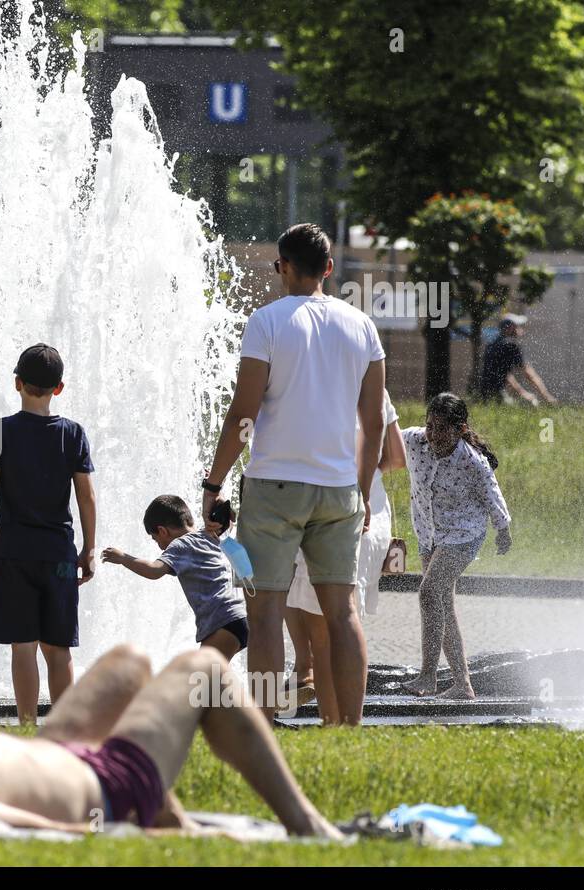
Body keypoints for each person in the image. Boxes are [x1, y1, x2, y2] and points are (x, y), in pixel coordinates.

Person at [0, 643, 342, 839]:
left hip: (59, 751)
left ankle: (175, 820)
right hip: (113, 784)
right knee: (204, 670)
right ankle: (306, 824)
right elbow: (48, 830)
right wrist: (115, 833)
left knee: (131, 662)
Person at [201, 223, 386, 725]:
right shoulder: (362, 327)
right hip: (338, 488)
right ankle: (347, 730)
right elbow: (372, 424)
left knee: (264, 616)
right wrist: (364, 491)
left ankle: (263, 730)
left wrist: (213, 483)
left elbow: (245, 410)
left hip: (274, 486)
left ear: (282, 266)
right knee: (341, 613)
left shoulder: (267, 321)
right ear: (329, 268)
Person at [0, 344, 96, 724]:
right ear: (58, 388)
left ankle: (27, 726)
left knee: (22, 647)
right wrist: (89, 549)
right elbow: (86, 497)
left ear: (17, 383)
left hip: (12, 554)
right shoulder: (73, 434)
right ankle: (65, 727)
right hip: (59, 554)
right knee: (58, 648)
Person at [283, 388, 405, 724]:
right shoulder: (373, 388)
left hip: (324, 513)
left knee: (321, 633)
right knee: (347, 618)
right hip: (371, 518)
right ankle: (348, 726)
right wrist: (365, 474)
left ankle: (332, 723)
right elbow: (396, 457)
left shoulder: (306, 384)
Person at [399, 394, 511, 700]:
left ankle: (427, 677)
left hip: (464, 534)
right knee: (442, 605)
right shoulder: (414, 441)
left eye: (441, 428)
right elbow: (378, 437)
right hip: (430, 533)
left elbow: (492, 494)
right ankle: (463, 684)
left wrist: (502, 529)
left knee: (429, 593)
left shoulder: (471, 460)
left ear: (460, 429)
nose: (433, 434)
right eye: (430, 425)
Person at [101, 495, 246, 661]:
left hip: (222, 621)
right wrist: (220, 501)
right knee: (210, 681)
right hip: (241, 614)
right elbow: (231, 519)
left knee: (202, 682)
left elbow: (154, 570)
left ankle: (276, 688)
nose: (159, 545)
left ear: (163, 531)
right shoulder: (209, 534)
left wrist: (123, 558)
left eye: (156, 539)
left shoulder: (180, 545)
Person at [478, 314, 556, 407]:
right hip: (497, 393)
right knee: (529, 405)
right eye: (518, 326)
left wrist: (522, 392)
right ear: (510, 328)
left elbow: (504, 374)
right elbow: (529, 374)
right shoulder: (510, 345)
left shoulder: (492, 344)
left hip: (484, 393)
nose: (520, 329)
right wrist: (547, 397)